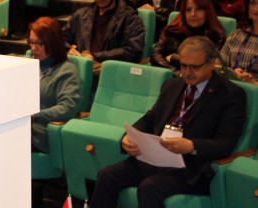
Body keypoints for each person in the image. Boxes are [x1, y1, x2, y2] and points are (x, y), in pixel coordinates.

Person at [91, 36, 246, 208]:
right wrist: (129, 136)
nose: (187, 72)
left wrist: (192, 146)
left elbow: (226, 143)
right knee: (107, 175)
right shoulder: (172, 85)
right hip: (156, 156)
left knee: (149, 187)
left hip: (191, 168)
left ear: (211, 63)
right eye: (183, 65)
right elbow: (151, 118)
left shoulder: (230, 94)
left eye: (194, 67)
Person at [64, 0, 145, 69]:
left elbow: (134, 51)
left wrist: (96, 56)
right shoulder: (80, 15)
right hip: (81, 68)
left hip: (110, 71)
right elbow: (61, 38)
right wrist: (68, 49)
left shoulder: (130, 17)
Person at [27, 16, 81, 154]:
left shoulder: (67, 71)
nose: (33, 48)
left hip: (43, 131)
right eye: (31, 42)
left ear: (53, 43)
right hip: (22, 125)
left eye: (39, 43)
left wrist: (35, 115)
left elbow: (67, 108)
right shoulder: (27, 63)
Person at [151, 0, 226, 74]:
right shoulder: (172, 29)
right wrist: (176, 73)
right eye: (188, 10)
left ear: (207, 11)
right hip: (171, 76)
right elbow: (155, 54)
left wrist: (174, 57)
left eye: (198, 9)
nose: (193, 14)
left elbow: (205, 63)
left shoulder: (216, 35)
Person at [220, 0, 258, 84]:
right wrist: (232, 74)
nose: (256, 8)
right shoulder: (236, 35)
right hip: (230, 89)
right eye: (252, 3)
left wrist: (253, 84)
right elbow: (218, 67)